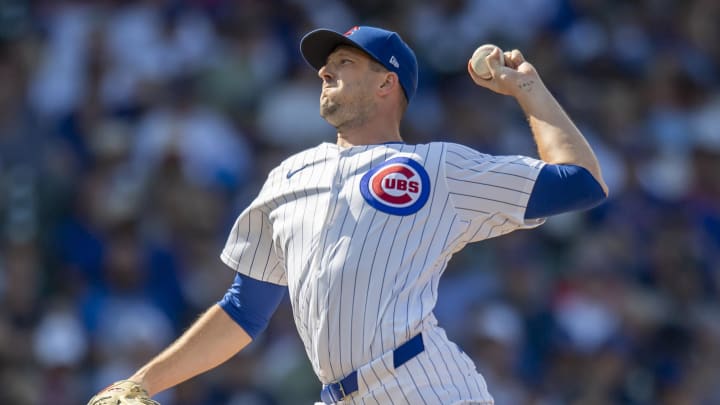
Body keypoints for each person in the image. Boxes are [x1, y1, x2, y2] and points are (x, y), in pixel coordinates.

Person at [88, 25, 608, 405]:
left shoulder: (437, 166)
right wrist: (141, 383)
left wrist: (527, 88)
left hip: (424, 384)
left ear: (387, 84)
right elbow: (245, 310)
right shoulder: (288, 176)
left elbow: (581, 184)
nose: (324, 69)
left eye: (345, 62)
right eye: (327, 62)